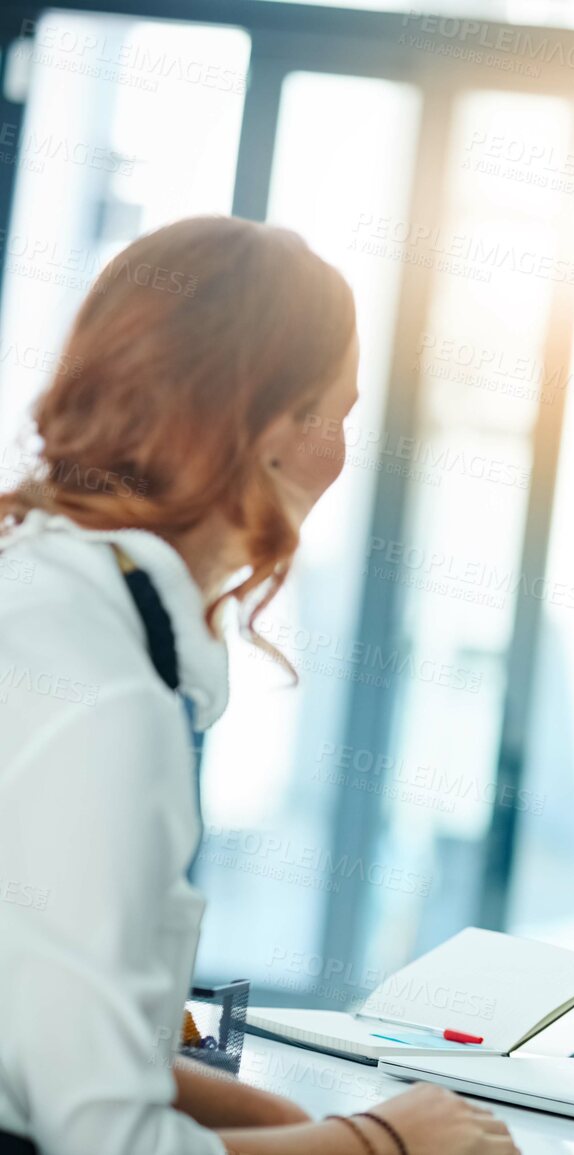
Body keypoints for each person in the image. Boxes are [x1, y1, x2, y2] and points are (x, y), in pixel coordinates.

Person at [0, 217, 517, 1155]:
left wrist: (271, 1119)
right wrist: (384, 1141)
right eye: (341, 413)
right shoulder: (109, 698)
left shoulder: (43, 599)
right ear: (274, 430)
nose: (341, 454)